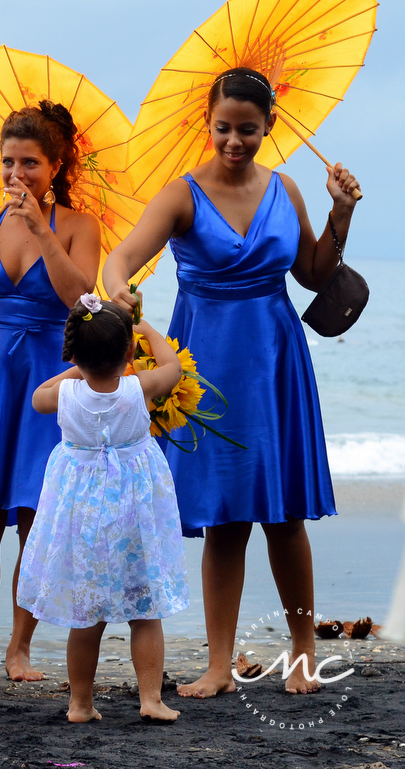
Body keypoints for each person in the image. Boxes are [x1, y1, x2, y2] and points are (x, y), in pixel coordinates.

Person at [101, 67, 361, 697]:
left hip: (274, 360)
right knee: (224, 519)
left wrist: (341, 212)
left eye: (248, 129)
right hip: (207, 364)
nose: (234, 141)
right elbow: (119, 261)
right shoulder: (182, 194)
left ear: (270, 125)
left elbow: (315, 272)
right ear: (208, 123)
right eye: (224, 128)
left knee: (284, 514)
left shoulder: (286, 188)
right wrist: (121, 301)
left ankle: (302, 651)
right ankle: (219, 664)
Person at [0, 101, 101, 682]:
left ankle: (19, 646)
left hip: (46, 375)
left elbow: (81, 300)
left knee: (36, 511)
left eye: (29, 162)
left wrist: (38, 228)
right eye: (8, 162)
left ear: (56, 165)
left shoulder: (80, 226)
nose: (15, 174)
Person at [18, 296, 187, 723]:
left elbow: (38, 397)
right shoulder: (138, 387)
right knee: (145, 610)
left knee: (86, 614)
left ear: (73, 352)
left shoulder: (65, 395)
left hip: (84, 519)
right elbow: (173, 371)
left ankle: (80, 704)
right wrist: (149, 332)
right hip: (134, 513)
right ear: (129, 352)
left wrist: (77, 367)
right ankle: (151, 699)